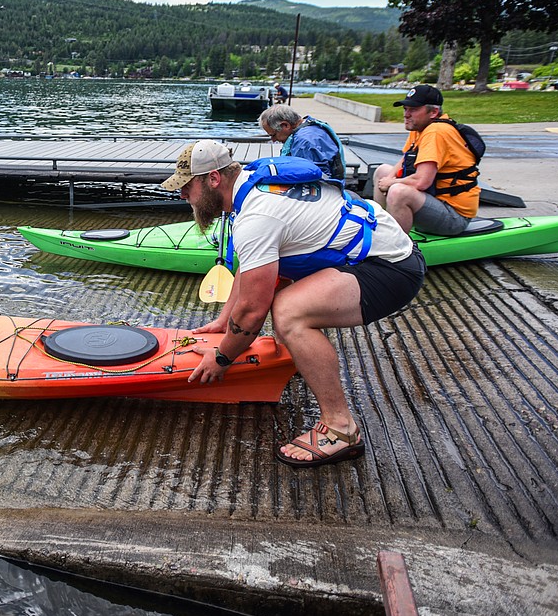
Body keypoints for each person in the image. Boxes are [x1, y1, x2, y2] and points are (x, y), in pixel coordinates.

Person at [161, 140, 424, 467]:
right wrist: (222, 322)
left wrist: (223, 357)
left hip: (391, 268)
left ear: (213, 179)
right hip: (377, 251)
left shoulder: (256, 216)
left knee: (288, 312)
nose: (183, 196)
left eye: (187, 187)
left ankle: (341, 429)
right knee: (282, 304)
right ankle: (301, 359)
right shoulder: (253, 182)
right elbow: (252, 264)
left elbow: (253, 312)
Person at [371, 84, 481, 236]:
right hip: (433, 201)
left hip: (454, 216)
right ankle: (381, 228)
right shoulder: (419, 128)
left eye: (414, 109)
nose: (406, 114)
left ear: (434, 112)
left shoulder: (436, 132)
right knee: (382, 171)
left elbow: (422, 182)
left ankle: (395, 247)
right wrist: (387, 178)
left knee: (399, 192)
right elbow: (405, 160)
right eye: (405, 109)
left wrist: (391, 183)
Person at [259, 106, 347, 181]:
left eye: (273, 135)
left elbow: (315, 178)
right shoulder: (311, 126)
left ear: (285, 125)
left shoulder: (304, 142)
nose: (273, 140)